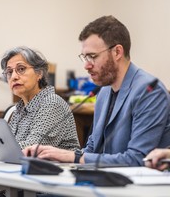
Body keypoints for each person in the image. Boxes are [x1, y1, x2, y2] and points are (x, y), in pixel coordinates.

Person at [23, 15, 170, 166]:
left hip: (134, 187)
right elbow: (92, 150)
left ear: (117, 52)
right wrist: (56, 157)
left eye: (92, 56)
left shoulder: (150, 91)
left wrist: (72, 157)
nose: (86, 66)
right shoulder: (104, 92)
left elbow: (137, 159)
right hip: (102, 181)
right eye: (85, 57)